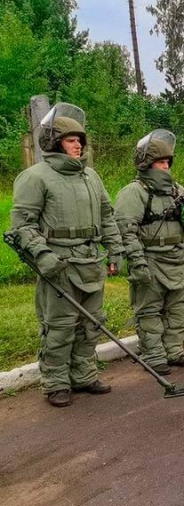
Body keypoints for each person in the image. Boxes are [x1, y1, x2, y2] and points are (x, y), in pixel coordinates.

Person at [10, 103, 124, 407]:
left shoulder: (91, 177)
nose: (78, 145)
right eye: (71, 140)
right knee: (59, 326)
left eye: (80, 140)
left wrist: (115, 249)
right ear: (54, 142)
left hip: (90, 260)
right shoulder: (36, 177)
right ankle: (56, 382)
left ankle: (84, 374)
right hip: (58, 263)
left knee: (92, 323)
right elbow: (22, 224)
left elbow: (107, 215)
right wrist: (42, 254)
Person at [115, 130, 184, 375]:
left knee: (176, 309)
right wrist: (137, 262)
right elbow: (126, 231)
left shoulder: (177, 190)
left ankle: (173, 351)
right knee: (150, 310)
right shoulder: (134, 192)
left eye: (167, 162)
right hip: (150, 260)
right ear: (146, 164)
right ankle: (153, 355)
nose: (166, 167)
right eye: (160, 162)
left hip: (176, 257)